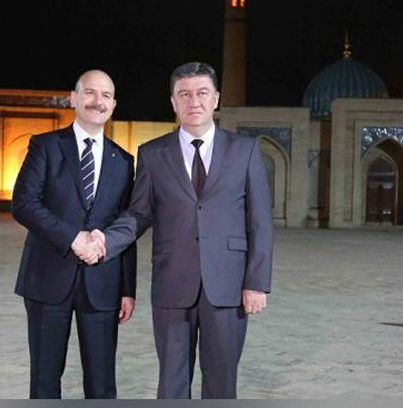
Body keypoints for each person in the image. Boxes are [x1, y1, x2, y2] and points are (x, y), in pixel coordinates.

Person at [92, 62, 273, 398]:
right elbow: (138, 214)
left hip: (228, 286)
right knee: (172, 383)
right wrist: (105, 240)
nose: (194, 101)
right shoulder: (153, 154)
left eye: (202, 92)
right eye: (184, 94)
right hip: (172, 283)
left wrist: (257, 282)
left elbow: (260, 221)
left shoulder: (245, 151)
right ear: (173, 102)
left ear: (216, 98)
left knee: (221, 383)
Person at [11, 69, 137, 399]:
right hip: (48, 277)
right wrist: (73, 238)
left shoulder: (123, 161)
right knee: (45, 379)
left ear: (113, 105)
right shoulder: (46, 146)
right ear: (74, 98)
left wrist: (127, 288)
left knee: (101, 382)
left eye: (106, 95)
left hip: (103, 284)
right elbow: (23, 204)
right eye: (90, 93)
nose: (98, 101)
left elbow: (126, 225)